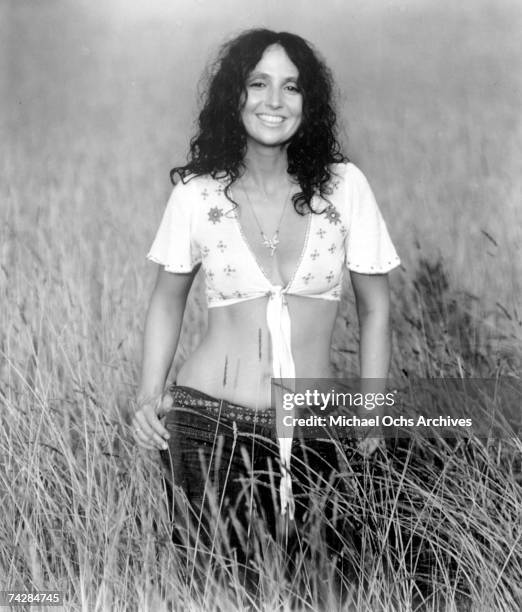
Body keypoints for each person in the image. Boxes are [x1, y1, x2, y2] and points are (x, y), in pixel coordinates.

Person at [131, 28, 400, 587]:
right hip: (208, 424)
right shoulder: (197, 195)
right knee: (220, 590)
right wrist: (147, 395)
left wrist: (373, 412)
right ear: (236, 96)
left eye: (292, 87)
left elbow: (376, 308)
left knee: (318, 588)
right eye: (259, 84)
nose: (275, 101)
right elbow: (166, 299)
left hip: (315, 429)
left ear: (310, 102)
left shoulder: (346, 188)